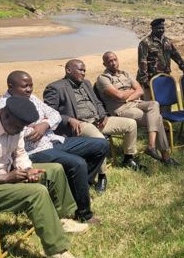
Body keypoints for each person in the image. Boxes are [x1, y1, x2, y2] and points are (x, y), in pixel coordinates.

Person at [0, 71, 108, 223]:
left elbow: (55, 114)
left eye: (31, 85)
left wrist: (44, 123)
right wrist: (36, 126)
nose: (29, 89)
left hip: (55, 140)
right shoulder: (5, 108)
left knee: (101, 145)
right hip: (36, 150)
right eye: (25, 86)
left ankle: (80, 187)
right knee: (77, 163)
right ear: (11, 86)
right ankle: (83, 213)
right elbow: (18, 132)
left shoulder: (31, 98)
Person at [0, 96, 86, 258]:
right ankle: (57, 253)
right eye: (16, 127)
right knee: (36, 193)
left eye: (21, 128)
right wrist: (5, 178)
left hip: (8, 173)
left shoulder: (16, 126)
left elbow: (20, 152)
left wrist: (27, 169)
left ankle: (62, 219)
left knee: (54, 170)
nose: (18, 132)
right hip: (0, 180)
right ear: (4, 115)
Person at [43, 59, 142, 191]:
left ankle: (128, 157)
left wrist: (103, 115)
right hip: (80, 124)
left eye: (84, 70)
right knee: (100, 141)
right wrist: (69, 120)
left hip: (98, 121)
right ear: (68, 70)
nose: (83, 73)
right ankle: (102, 176)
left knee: (131, 124)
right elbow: (49, 113)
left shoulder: (87, 83)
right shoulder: (56, 87)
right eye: (80, 70)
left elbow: (98, 102)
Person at [96, 51, 179, 167]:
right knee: (158, 118)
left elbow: (139, 90)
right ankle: (164, 156)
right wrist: (131, 92)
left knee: (154, 104)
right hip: (121, 109)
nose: (113, 63)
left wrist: (128, 97)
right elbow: (118, 96)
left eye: (115, 59)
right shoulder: (103, 78)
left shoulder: (125, 73)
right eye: (109, 61)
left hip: (134, 102)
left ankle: (151, 145)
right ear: (104, 64)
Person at [137, 18, 184, 99]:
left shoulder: (167, 41)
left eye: (162, 28)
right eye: (159, 28)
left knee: (166, 103)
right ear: (152, 28)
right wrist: (145, 81)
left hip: (165, 78)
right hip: (150, 80)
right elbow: (142, 62)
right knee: (150, 105)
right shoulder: (145, 43)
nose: (161, 30)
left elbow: (175, 55)